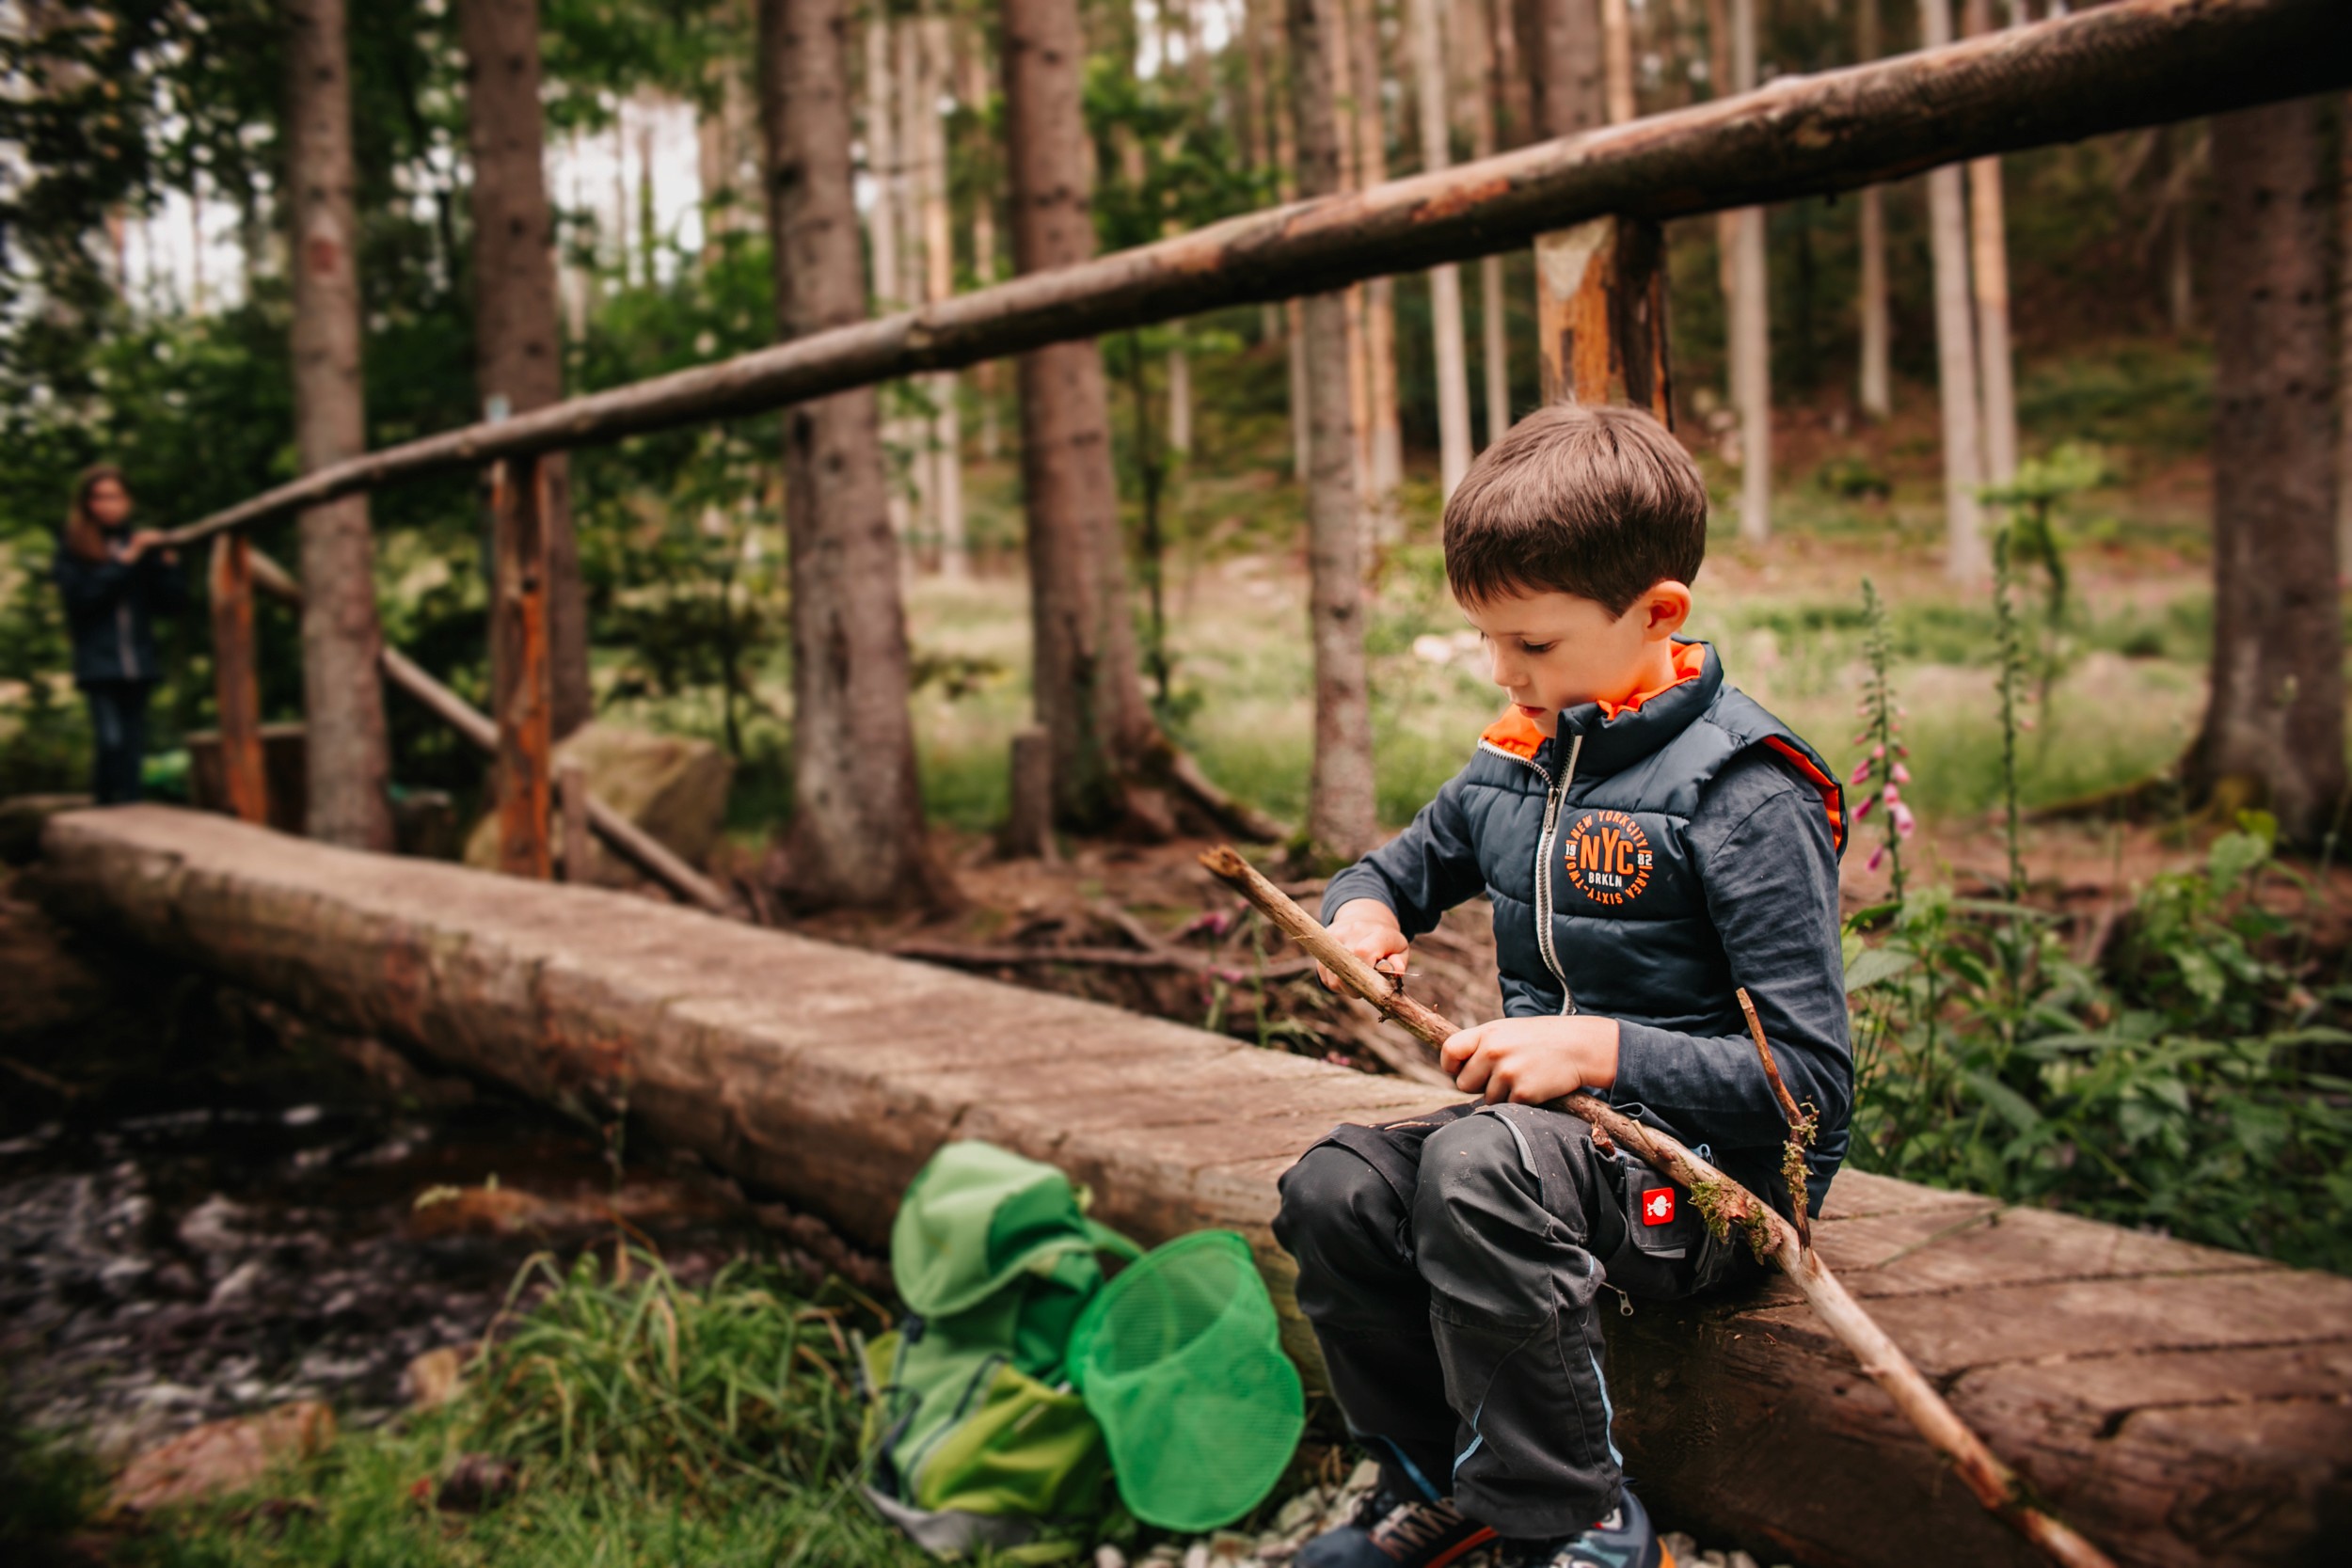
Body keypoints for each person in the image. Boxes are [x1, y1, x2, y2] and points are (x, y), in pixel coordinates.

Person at [1274, 404, 1851, 1568]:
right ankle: (1438, 1478)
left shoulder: (1743, 794)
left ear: (1658, 612)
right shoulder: (1520, 758)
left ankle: (1575, 1510)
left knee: (1477, 1156)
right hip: (1547, 1159)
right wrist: (1361, 913)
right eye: (1486, 639)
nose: (1502, 672)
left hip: (1706, 1192)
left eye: (1530, 644)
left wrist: (1600, 1050)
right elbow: (1389, 867)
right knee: (1334, 1186)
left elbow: (1812, 1088)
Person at [52, 465, 185, 804]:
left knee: (133, 742)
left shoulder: (140, 544)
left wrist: (168, 566)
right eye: (99, 498)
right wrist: (126, 561)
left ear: (128, 501)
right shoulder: (73, 548)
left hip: (138, 659)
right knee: (110, 740)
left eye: (115, 497)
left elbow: (171, 605)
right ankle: (105, 805)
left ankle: (129, 806)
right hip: (98, 661)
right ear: (87, 503)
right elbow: (83, 598)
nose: (107, 505)